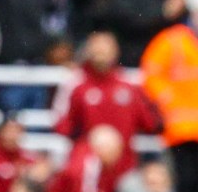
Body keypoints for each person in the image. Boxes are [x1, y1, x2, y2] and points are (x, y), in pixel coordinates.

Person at [51, 31, 160, 177]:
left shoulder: (129, 85)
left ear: (115, 51)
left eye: (105, 46)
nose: (101, 51)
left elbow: (150, 123)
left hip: (124, 168)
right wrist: (90, 142)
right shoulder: (75, 84)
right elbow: (61, 124)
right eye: (97, 46)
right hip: (88, 168)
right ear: (88, 50)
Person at [141, 4, 198, 192]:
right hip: (182, 127)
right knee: (186, 180)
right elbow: (151, 72)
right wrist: (168, 99)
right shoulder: (172, 40)